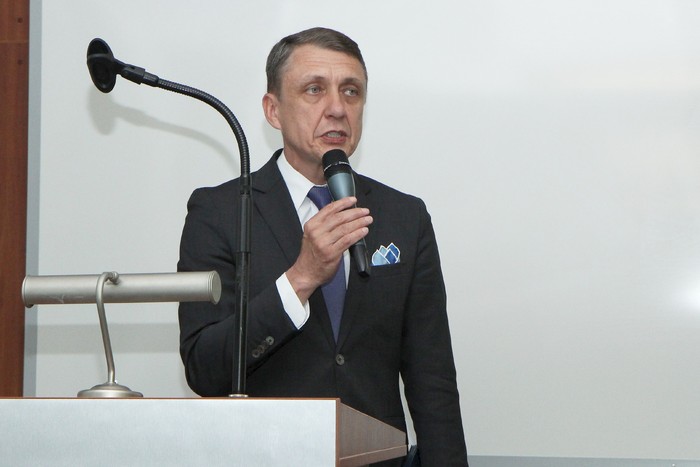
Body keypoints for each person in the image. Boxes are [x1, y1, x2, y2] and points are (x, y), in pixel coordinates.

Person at [178, 27, 469, 466]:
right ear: (273, 110)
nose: (337, 108)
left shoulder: (404, 217)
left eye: (351, 91)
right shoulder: (220, 212)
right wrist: (300, 279)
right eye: (314, 89)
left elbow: (434, 383)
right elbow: (205, 369)